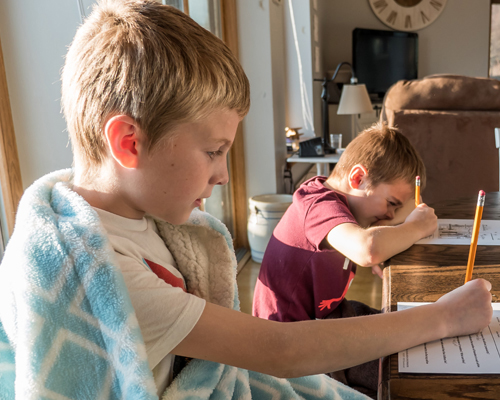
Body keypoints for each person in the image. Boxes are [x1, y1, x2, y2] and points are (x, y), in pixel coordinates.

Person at [0, 1, 493, 399]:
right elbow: (278, 350)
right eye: (214, 152)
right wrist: (444, 316)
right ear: (130, 141)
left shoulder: (138, 218)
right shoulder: (97, 269)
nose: (221, 174)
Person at [252, 123, 436, 394]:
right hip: (291, 344)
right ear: (358, 178)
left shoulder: (344, 204)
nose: (391, 215)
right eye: (391, 203)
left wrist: (390, 236)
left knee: (408, 334)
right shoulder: (317, 205)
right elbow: (367, 248)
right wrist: (414, 228)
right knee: (400, 374)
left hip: (327, 317)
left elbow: (368, 240)